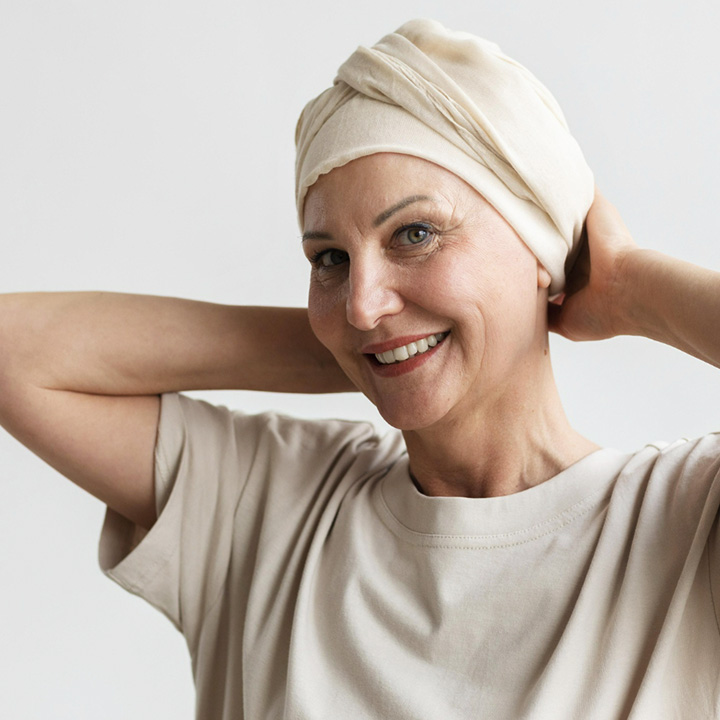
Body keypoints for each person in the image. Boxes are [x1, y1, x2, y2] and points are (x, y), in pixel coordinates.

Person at [1, 18, 719, 719]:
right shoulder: (273, 507)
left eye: (414, 233)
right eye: (329, 261)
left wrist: (625, 285)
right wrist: (372, 344)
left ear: (541, 250)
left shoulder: (686, 527)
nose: (363, 302)